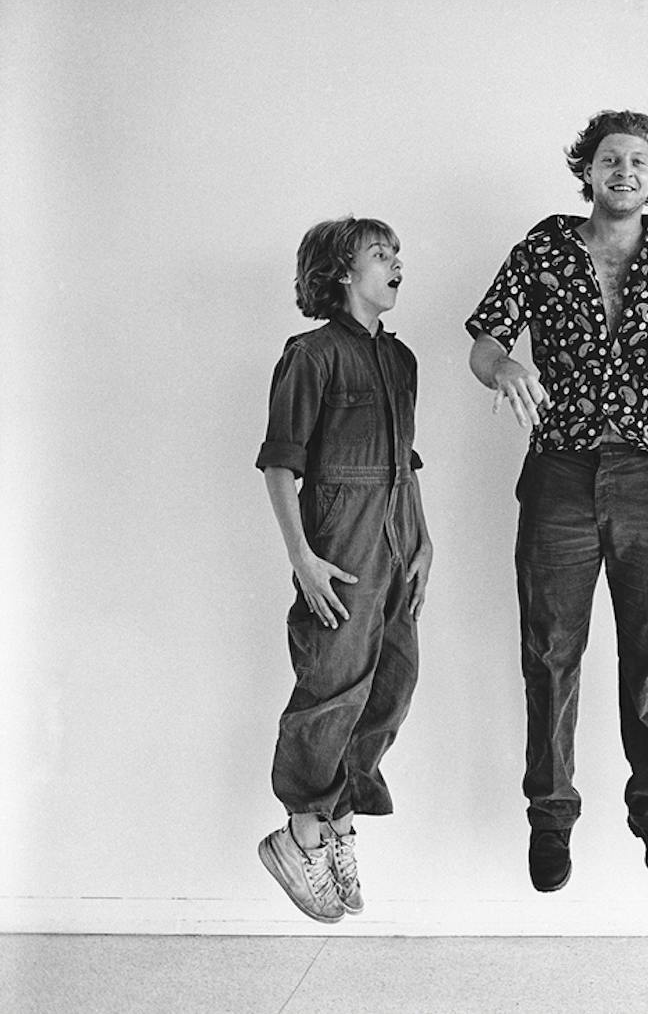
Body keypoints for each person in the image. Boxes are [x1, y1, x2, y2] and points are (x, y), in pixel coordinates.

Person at [466, 110, 648, 892]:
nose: (625, 171)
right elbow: (487, 340)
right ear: (587, 171)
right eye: (611, 159)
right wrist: (503, 369)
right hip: (558, 471)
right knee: (550, 655)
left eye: (640, 162)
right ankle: (550, 821)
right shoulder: (544, 246)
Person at [255, 216, 433, 922]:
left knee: (391, 680)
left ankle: (335, 819)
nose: (396, 263)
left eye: (398, 252)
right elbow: (278, 462)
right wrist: (303, 559)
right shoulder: (311, 355)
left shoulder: (402, 360)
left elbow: (407, 462)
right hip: (339, 536)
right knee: (333, 682)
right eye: (380, 254)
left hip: (398, 533)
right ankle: (302, 830)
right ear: (340, 272)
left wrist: (425, 539)